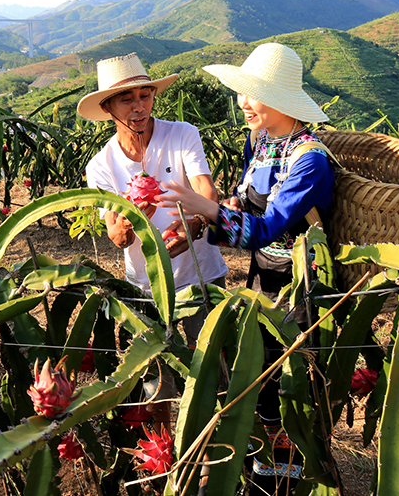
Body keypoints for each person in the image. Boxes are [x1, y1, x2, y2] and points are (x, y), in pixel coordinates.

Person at [155, 42, 336, 492]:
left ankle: (289, 482)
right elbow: (245, 201)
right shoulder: (259, 140)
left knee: (289, 383)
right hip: (262, 276)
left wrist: (206, 207)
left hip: (300, 284)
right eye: (242, 92)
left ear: (280, 98)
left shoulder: (309, 160)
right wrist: (198, 225)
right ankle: (262, 476)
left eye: (252, 94)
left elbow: (268, 227)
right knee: (260, 374)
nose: (242, 102)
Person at [78, 52, 229, 333]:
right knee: (158, 375)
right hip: (146, 287)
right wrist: (127, 224)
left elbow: (205, 190)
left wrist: (194, 224)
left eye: (145, 96)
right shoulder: (100, 166)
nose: (139, 107)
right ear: (108, 107)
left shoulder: (183, 134)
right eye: (127, 99)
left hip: (202, 275)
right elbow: (116, 236)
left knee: (212, 369)